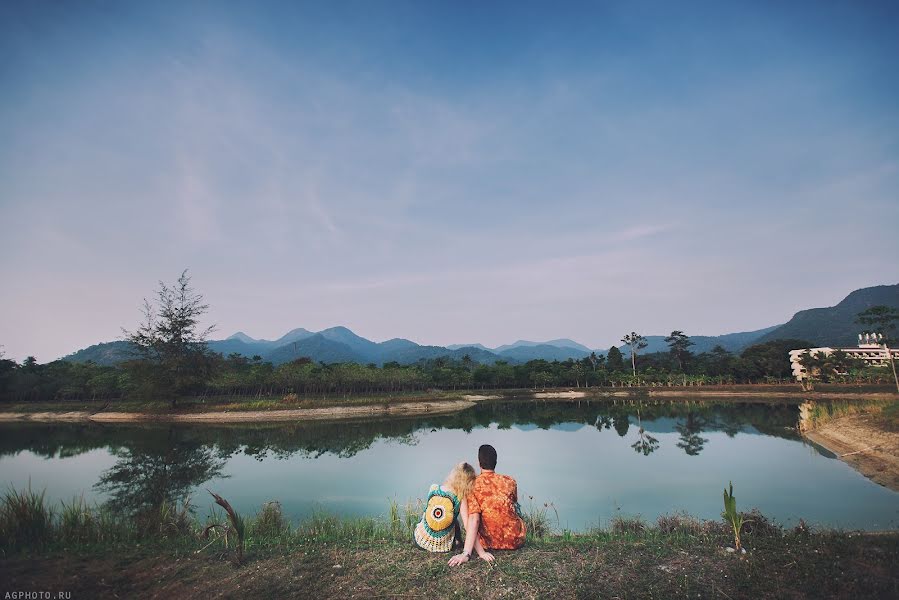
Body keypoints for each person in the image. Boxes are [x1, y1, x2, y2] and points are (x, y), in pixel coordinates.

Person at [448, 444, 526, 566]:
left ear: (479, 463)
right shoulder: (510, 481)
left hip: (487, 543)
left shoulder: (472, 485)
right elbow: (514, 503)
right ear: (496, 462)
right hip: (514, 540)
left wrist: (466, 553)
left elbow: (474, 519)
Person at [414, 462, 487, 553]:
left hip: (420, 541)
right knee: (453, 518)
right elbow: (468, 525)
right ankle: (458, 542)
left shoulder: (434, 487)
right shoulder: (460, 498)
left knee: (430, 514)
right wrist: (481, 552)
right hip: (443, 546)